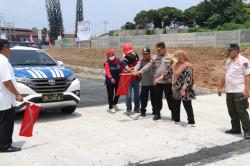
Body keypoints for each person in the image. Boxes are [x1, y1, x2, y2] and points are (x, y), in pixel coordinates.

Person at [134, 42, 174, 121]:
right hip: (157, 82)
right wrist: (140, 71)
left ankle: (173, 115)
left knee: (169, 99)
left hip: (167, 82)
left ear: (164, 48)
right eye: (157, 50)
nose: (158, 51)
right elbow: (148, 65)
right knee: (157, 99)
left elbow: (175, 67)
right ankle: (157, 114)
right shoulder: (155, 57)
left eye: (160, 49)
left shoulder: (171, 57)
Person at [218, 44, 250, 139]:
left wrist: (247, 90)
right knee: (232, 111)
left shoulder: (244, 61)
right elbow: (225, 75)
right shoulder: (228, 61)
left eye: (229, 51)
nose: (228, 52)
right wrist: (220, 87)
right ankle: (235, 128)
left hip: (239, 91)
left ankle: (248, 131)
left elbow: (248, 76)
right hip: (229, 91)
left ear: (236, 51)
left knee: (241, 111)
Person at [157, 50, 195, 126]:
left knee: (187, 105)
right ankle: (176, 119)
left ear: (181, 56)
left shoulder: (187, 65)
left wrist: (184, 89)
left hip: (185, 89)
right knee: (176, 105)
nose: (176, 57)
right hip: (176, 88)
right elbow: (168, 74)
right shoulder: (174, 65)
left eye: (177, 56)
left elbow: (188, 78)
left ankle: (191, 122)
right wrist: (158, 79)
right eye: (175, 56)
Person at [0, 39, 23, 152]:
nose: (10, 50)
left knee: (2, 123)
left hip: (3, 98)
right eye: (9, 48)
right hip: (5, 99)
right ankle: (5, 145)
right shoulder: (3, 61)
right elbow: (7, 82)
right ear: (4, 48)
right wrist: (17, 94)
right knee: (6, 124)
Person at [134, 48, 156, 117]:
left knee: (154, 98)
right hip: (145, 83)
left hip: (153, 83)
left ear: (149, 53)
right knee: (143, 98)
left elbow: (147, 68)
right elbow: (137, 66)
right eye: (143, 54)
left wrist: (139, 72)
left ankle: (155, 111)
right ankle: (143, 111)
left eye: (146, 54)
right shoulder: (141, 61)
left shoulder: (153, 60)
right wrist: (135, 71)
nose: (145, 55)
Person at [122, 43, 140, 115]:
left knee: (137, 94)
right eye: (127, 53)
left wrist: (134, 69)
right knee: (128, 95)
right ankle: (128, 109)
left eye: (130, 52)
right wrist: (132, 69)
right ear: (124, 52)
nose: (129, 54)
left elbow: (139, 64)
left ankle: (137, 108)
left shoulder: (135, 55)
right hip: (128, 79)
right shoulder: (124, 59)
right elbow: (127, 68)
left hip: (136, 78)